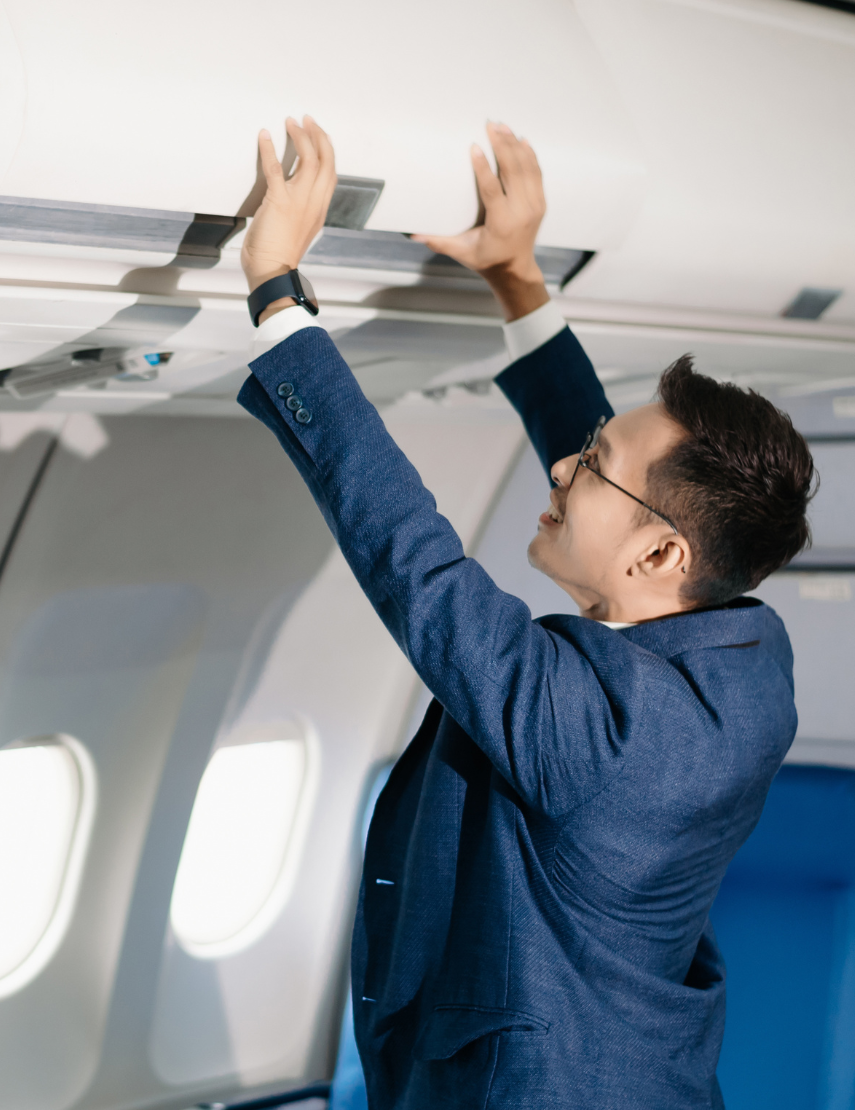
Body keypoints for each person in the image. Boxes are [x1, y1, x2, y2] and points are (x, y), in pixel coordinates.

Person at [236, 116, 816, 1109]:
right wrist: (516, 277)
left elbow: (416, 569)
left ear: (662, 555)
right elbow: (637, 492)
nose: (561, 466)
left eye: (586, 467)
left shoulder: (608, 737)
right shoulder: (741, 655)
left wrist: (277, 292)